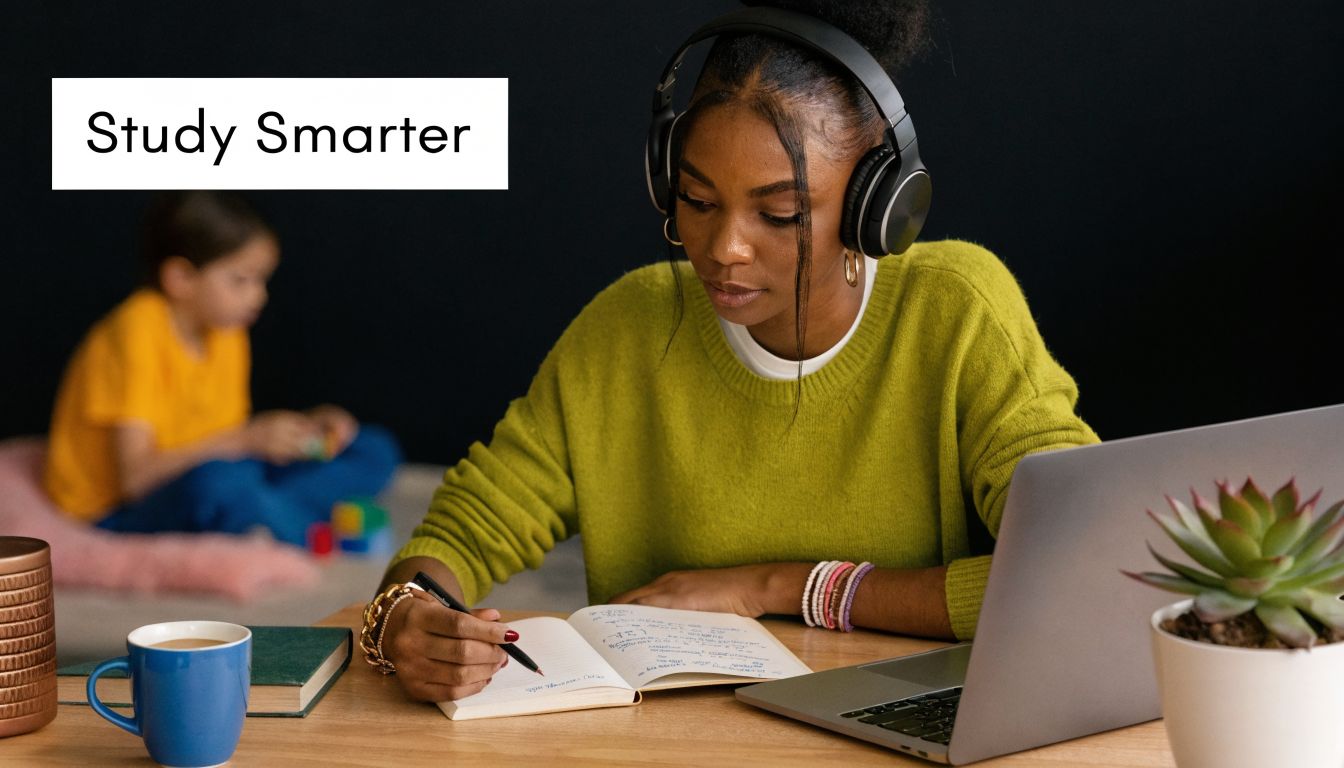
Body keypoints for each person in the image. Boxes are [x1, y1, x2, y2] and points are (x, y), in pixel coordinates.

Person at [368, 0, 1099, 703]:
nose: (724, 250)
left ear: (875, 205)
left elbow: (1081, 560)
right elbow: (470, 527)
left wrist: (777, 585)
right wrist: (408, 614)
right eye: (697, 200)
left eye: (779, 213)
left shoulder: (959, 310)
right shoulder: (627, 327)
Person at [42, 191, 400, 547]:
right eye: (241, 280)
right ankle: (314, 531)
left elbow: (229, 437)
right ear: (181, 277)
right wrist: (245, 440)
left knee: (372, 448)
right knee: (222, 485)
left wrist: (306, 431)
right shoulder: (135, 333)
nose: (259, 297)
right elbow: (136, 479)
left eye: (262, 281)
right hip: (121, 507)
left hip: (220, 467)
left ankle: (272, 515)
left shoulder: (226, 329)